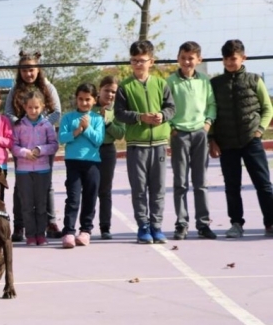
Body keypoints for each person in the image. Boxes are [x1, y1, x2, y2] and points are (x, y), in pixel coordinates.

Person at [209, 39, 273, 238]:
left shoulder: (254, 80)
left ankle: (270, 221)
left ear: (243, 58)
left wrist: (259, 130)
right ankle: (236, 223)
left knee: (263, 183)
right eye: (227, 59)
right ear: (223, 60)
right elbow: (210, 111)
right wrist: (212, 139)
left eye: (234, 58)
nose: (230, 62)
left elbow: (267, 108)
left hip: (251, 140)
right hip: (226, 142)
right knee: (232, 186)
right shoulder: (215, 84)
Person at [115, 40, 176, 244]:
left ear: (152, 61)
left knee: (158, 188)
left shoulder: (161, 83)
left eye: (142, 61)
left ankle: (156, 226)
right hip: (136, 146)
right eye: (134, 61)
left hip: (158, 143)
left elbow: (171, 108)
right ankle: (143, 226)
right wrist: (140, 117)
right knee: (139, 188)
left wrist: (162, 115)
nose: (138, 64)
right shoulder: (125, 86)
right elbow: (120, 113)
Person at [4, 51, 62, 241]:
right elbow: (8, 113)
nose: (28, 74)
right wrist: (22, 122)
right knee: (21, 187)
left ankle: (50, 222)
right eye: (25, 70)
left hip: (44, 142)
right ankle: (20, 225)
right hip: (23, 143)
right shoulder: (15, 90)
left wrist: (41, 121)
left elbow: (57, 112)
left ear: (38, 70)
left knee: (47, 185)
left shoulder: (48, 87)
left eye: (32, 70)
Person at [166, 41, 218, 240]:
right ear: (178, 58)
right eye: (183, 57)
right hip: (179, 134)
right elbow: (165, 107)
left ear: (199, 60)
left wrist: (207, 124)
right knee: (180, 181)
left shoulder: (204, 81)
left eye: (191, 58)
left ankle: (203, 224)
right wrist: (171, 128)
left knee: (200, 182)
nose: (187, 61)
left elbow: (211, 104)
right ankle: (181, 224)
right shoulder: (170, 81)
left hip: (199, 134)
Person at [58, 83, 105, 248]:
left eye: (88, 99)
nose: (84, 103)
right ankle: (69, 231)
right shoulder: (68, 118)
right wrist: (77, 131)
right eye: (81, 99)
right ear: (76, 99)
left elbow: (98, 140)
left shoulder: (98, 119)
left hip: (92, 163)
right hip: (73, 162)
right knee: (73, 198)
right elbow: (62, 138)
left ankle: (85, 230)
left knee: (90, 197)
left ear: (94, 100)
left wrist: (87, 128)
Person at [11, 91, 58, 246]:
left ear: (42, 107)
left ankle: (41, 234)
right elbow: (13, 145)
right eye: (30, 107)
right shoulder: (18, 125)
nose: (33, 110)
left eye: (36, 107)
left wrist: (39, 150)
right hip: (23, 171)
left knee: (41, 203)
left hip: (42, 169)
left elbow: (53, 145)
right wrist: (25, 153)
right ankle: (30, 235)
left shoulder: (47, 125)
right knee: (26, 204)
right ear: (25, 107)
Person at [93, 76, 125, 240]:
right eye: (107, 90)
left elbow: (120, 134)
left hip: (107, 151)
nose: (110, 94)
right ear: (99, 90)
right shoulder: (89, 107)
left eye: (113, 91)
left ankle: (105, 227)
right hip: (90, 152)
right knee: (90, 189)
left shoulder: (117, 111)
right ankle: (86, 226)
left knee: (105, 191)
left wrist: (106, 122)